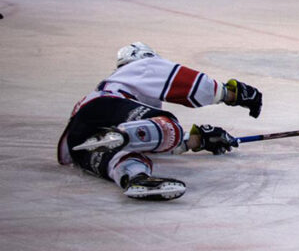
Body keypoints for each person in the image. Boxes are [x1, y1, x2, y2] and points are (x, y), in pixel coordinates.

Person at [57, 42, 263, 201]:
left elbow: (156, 142)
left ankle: (135, 179)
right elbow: (188, 84)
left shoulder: (117, 85)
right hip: (107, 109)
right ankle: (123, 135)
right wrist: (230, 94)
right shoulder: (140, 66)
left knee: (126, 158)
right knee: (169, 126)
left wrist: (197, 140)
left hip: (79, 143)